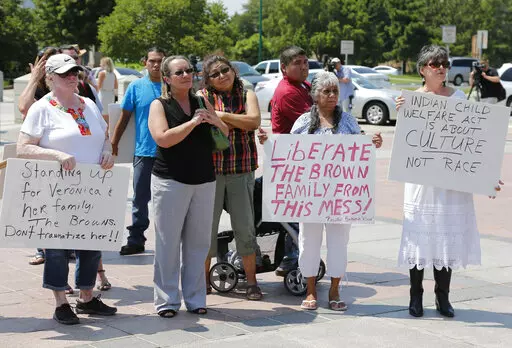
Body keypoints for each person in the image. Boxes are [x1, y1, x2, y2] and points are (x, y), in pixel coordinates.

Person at [396, 45, 503, 318]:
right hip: (421, 183)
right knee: (419, 238)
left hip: (450, 182)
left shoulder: (457, 98)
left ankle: (443, 297)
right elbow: (406, 144)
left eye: (444, 63)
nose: (441, 67)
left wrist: (487, 173)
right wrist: (402, 113)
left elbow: (473, 141)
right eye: (435, 64)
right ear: (422, 70)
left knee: (445, 237)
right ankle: (415, 296)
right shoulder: (410, 100)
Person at [16, 54, 117, 324]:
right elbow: (23, 147)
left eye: (74, 72)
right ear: (50, 77)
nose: (72, 77)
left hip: (91, 186)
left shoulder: (88, 103)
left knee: (91, 243)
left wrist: (107, 151)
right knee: (57, 248)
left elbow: (104, 136)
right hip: (56, 188)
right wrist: (57, 156)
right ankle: (61, 301)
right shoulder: (42, 107)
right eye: (64, 74)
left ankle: (86, 297)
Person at [290, 71, 382, 311]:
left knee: (339, 242)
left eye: (335, 91)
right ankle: (310, 290)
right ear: (315, 95)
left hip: (341, 194)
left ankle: (334, 289)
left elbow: (361, 150)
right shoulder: (301, 123)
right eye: (326, 91)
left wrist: (372, 143)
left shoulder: (349, 122)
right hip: (310, 195)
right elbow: (288, 154)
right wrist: (267, 141)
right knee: (308, 242)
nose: (332, 96)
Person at [148, 55, 229, 317]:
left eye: (189, 70)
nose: (186, 75)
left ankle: (195, 299)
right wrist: (193, 122)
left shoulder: (201, 100)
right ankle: (167, 301)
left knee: (198, 244)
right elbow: (162, 139)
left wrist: (214, 120)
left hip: (204, 180)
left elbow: (225, 132)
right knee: (167, 244)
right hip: (170, 181)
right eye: (179, 72)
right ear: (167, 79)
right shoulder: (159, 105)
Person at [198, 56, 262, 300]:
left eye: (225, 70)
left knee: (245, 227)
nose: (221, 75)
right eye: (214, 74)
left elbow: (254, 121)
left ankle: (252, 282)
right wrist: (237, 120)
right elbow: (205, 125)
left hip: (241, 169)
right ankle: (202, 282)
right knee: (205, 228)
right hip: (210, 171)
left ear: (233, 70)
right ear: (208, 79)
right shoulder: (202, 96)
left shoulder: (247, 93)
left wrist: (220, 116)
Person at [111, 47, 166, 255]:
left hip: (170, 152)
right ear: (145, 62)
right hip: (144, 152)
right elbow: (124, 118)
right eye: (152, 61)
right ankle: (136, 240)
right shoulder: (136, 87)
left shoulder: (173, 86)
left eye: (160, 61)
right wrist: (114, 143)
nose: (156, 65)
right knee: (140, 199)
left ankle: (168, 241)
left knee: (169, 199)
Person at [267, 46, 313, 276]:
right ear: (284, 68)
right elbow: (315, 121)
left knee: (296, 212)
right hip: (289, 160)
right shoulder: (288, 92)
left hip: (300, 158)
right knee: (295, 214)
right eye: (297, 63)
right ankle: (292, 258)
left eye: (305, 62)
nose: (303, 66)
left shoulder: (303, 86)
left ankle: (291, 257)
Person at [18, 47, 59, 266]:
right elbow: (24, 107)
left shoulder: (73, 86)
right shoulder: (37, 89)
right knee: (40, 205)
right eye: (46, 62)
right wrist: (34, 78)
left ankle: (63, 246)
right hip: (40, 155)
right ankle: (41, 249)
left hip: (65, 155)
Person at [97, 57, 118, 123]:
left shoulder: (102, 73)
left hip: (103, 94)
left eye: (101, 63)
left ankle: (104, 131)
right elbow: (116, 86)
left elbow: (99, 86)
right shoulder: (113, 74)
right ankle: (108, 130)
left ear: (104, 64)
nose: (100, 65)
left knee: (102, 113)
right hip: (111, 94)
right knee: (109, 113)